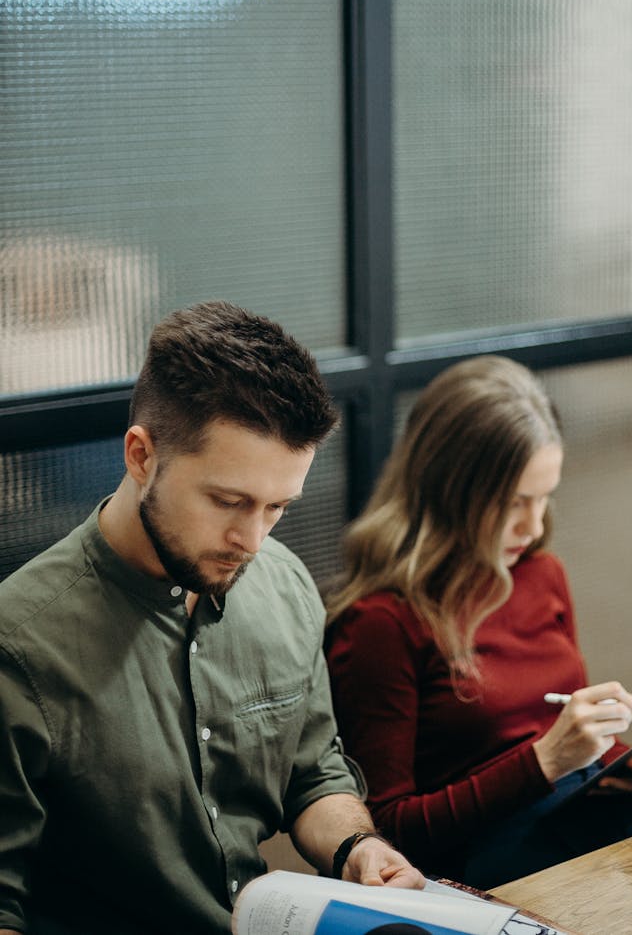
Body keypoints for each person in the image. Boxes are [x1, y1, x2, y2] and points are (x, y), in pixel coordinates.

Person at [0, 301, 423, 935]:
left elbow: (314, 772)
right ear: (141, 456)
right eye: (229, 501)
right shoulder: (20, 643)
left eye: (277, 506)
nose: (252, 541)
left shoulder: (283, 584)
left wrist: (357, 849)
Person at [325, 356, 632, 888]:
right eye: (514, 502)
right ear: (450, 489)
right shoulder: (382, 622)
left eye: (545, 497)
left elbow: (557, 726)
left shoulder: (543, 573)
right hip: (487, 883)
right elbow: (385, 833)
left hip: (585, 849)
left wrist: (626, 769)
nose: (535, 523)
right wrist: (542, 763)